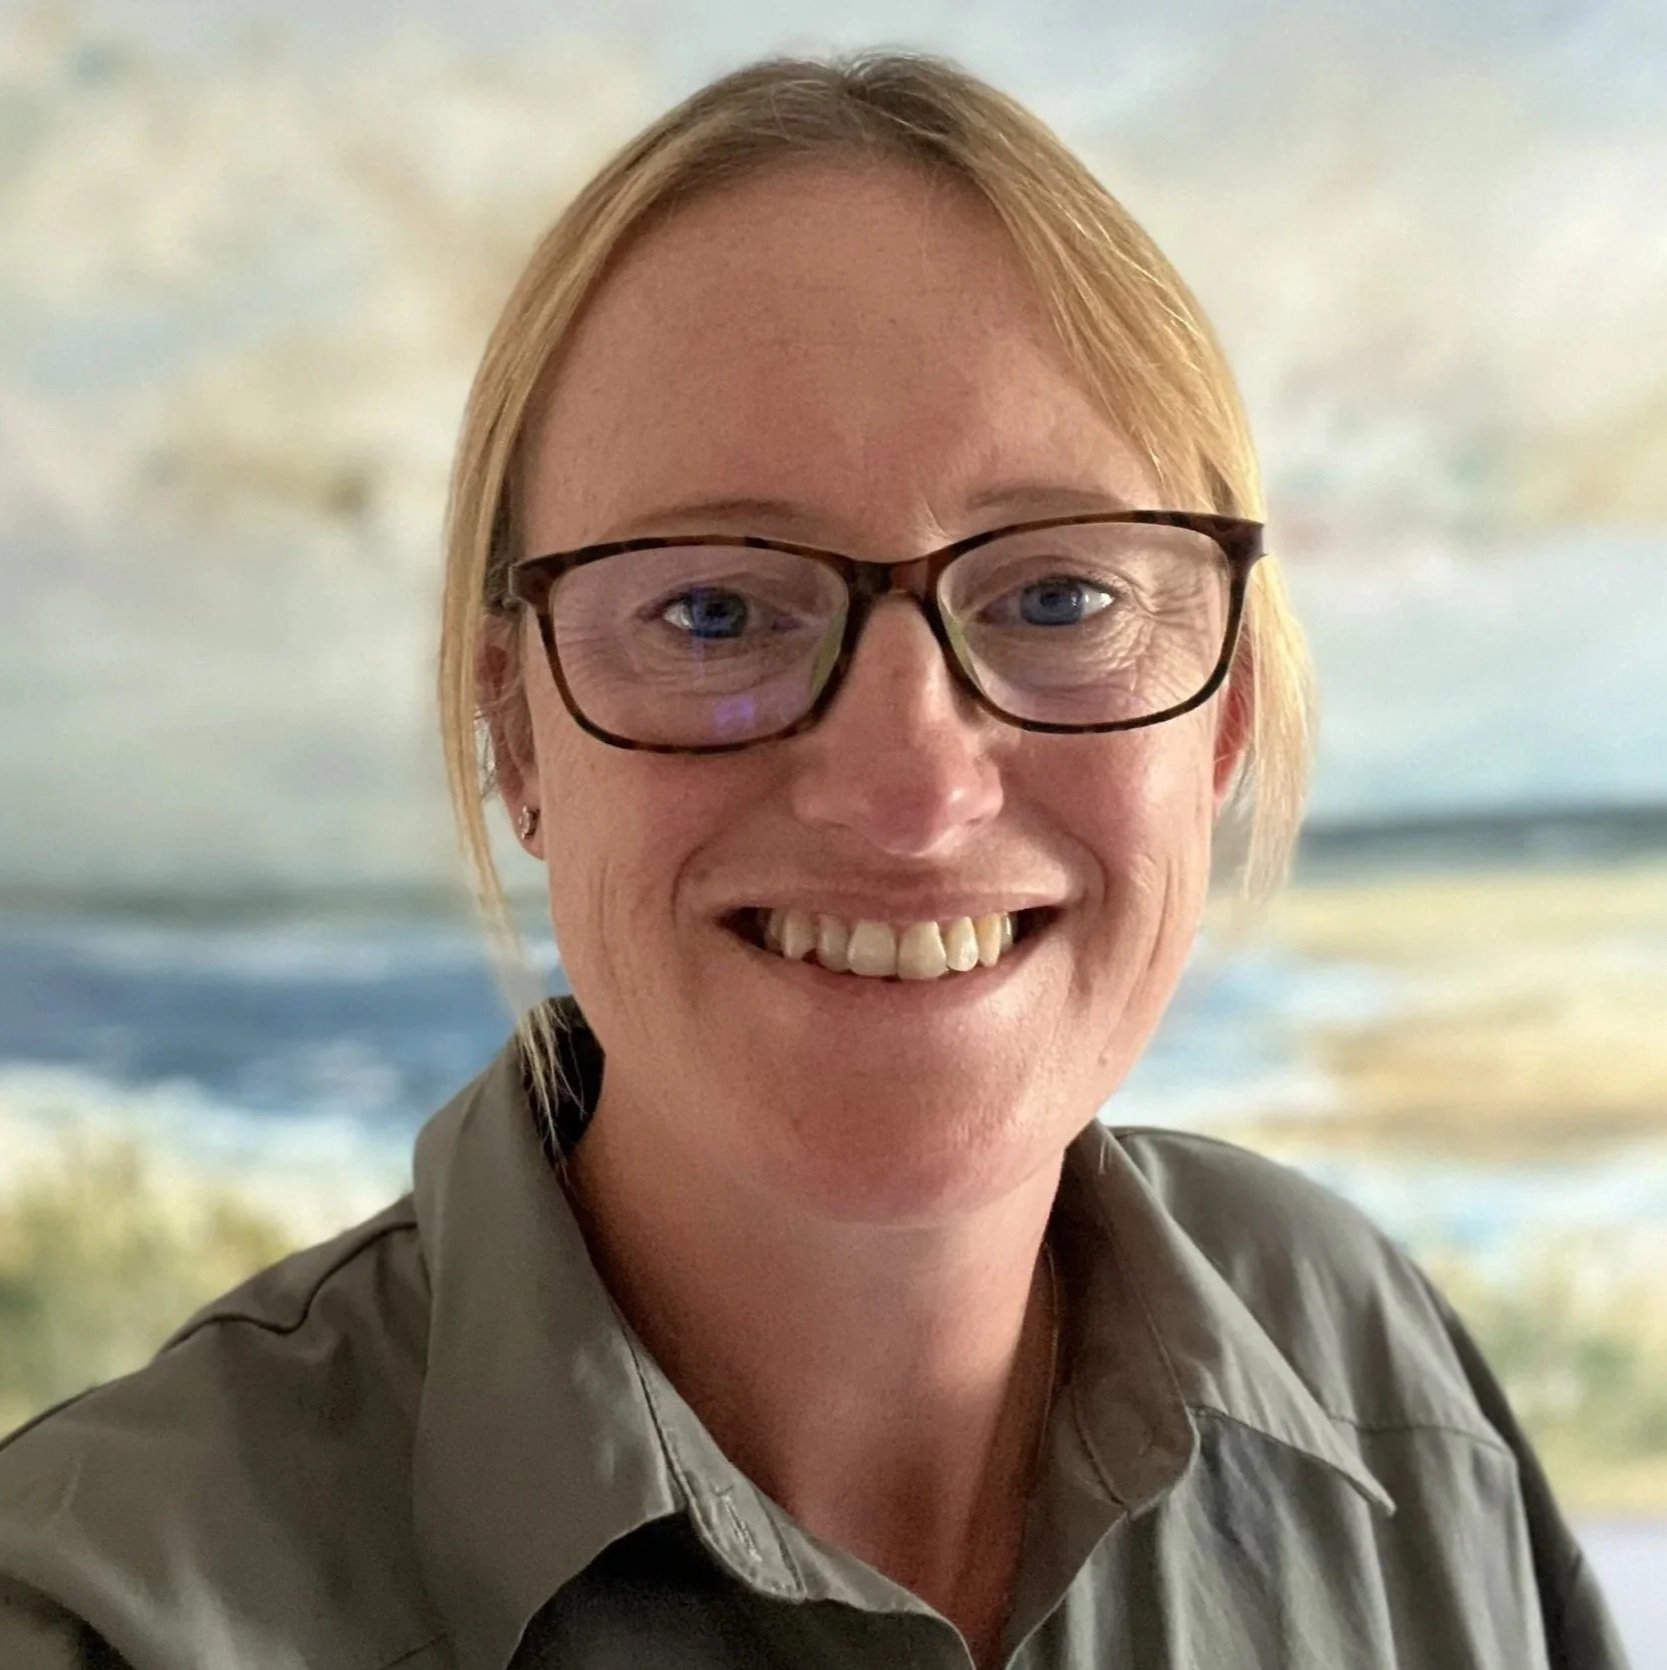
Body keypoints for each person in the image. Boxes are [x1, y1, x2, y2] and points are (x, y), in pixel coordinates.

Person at [0, 49, 1632, 1670]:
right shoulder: (109, 1608)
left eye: (1058, 599)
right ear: (517, 736)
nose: (911, 789)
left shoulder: (1385, 1394)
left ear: (1219, 722)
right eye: (712, 609)